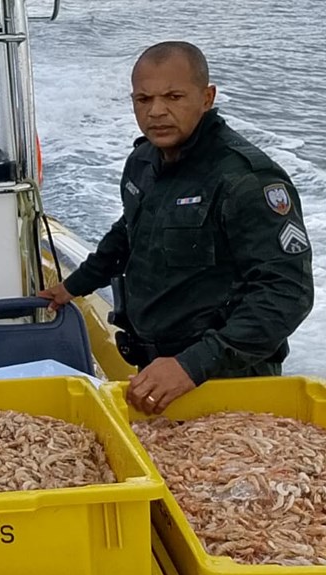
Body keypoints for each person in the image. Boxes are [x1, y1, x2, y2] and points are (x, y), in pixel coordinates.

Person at [40, 41, 314, 414]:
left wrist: (192, 365)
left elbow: (286, 293)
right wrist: (74, 286)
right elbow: (129, 232)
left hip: (227, 378)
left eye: (173, 96)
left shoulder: (245, 180)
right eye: (143, 99)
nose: (156, 112)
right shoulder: (143, 161)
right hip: (154, 368)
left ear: (207, 97)